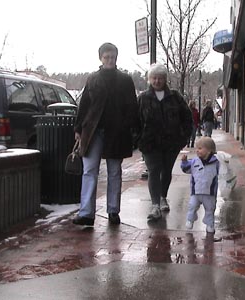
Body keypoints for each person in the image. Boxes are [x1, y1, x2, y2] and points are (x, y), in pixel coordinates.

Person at [72, 42, 139, 226]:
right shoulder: (92, 79)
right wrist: (78, 129)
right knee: (89, 171)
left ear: (116, 58)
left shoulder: (125, 80)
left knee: (114, 172)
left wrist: (129, 129)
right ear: (101, 58)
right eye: (106, 56)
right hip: (92, 132)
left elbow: (132, 107)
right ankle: (86, 213)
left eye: (112, 57)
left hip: (116, 132)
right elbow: (84, 105)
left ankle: (113, 210)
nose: (110, 60)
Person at [137, 63, 193, 221]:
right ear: (149, 79)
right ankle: (155, 205)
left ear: (165, 79)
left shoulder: (175, 97)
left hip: (171, 143)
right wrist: (138, 139)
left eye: (160, 78)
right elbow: (135, 120)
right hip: (149, 143)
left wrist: (183, 137)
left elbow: (187, 118)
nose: (157, 81)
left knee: (166, 171)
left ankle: (163, 197)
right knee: (154, 171)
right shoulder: (143, 98)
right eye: (154, 78)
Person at [181, 137, 219, 234]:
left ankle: (209, 225)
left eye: (200, 148)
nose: (197, 150)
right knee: (192, 206)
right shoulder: (194, 162)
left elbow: (222, 173)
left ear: (209, 150)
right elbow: (186, 169)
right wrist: (184, 162)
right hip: (196, 192)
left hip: (209, 193)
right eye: (197, 148)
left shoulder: (216, 163)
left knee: (210, 209)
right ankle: (190, 219)